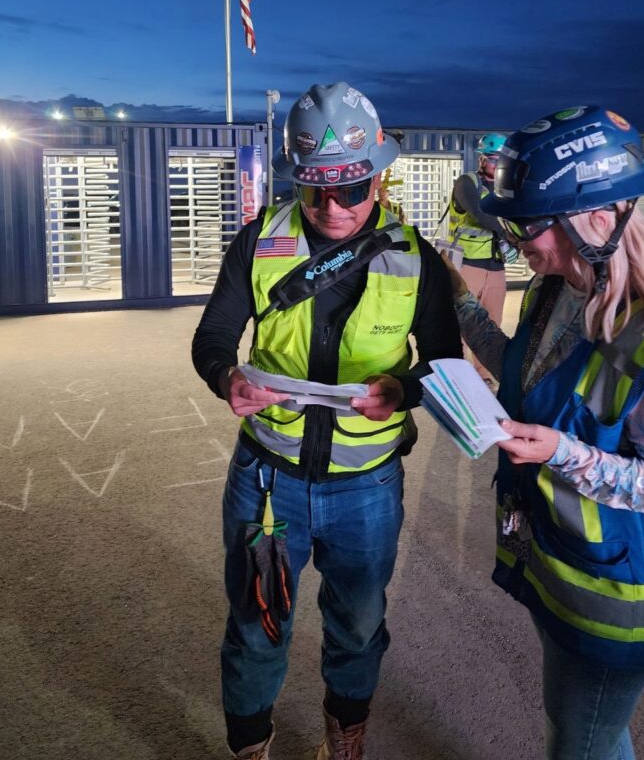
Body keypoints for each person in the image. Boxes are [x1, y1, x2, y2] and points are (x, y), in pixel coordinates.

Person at [192, 81, 462, 760]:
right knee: (257, 624)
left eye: (350, 190)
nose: (333, 208)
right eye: (316, 191)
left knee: (358, 626)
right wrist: (227, 377)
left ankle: (345, 742)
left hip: (366, 486)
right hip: (266, 481)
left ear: (377, 175)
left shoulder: (415, 257)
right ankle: (250, 747)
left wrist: (400, 391)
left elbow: (444, 362)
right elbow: (214, 336)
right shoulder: (259, 240)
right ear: (297, 180)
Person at [444, 106, 644, 760]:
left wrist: (564, 452)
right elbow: (517, 365)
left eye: (533, 221)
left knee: (580, 742)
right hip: (565, 567)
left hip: (618, 598)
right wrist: (456, 300)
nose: (518, 238)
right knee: (590, 732)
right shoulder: (552, 291)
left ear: (595, 221)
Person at [447, 132, 519, 386]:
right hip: (468, 265)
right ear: (481, 159)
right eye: (492, 159)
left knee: (491, 324)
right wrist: (511, 233)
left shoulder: (505, 189)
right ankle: (455, 376)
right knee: (459, 324)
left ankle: (484, 376)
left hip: (496, 266)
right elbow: (479, 213)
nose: (497, 165)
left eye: (501, 160)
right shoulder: (467, 183)